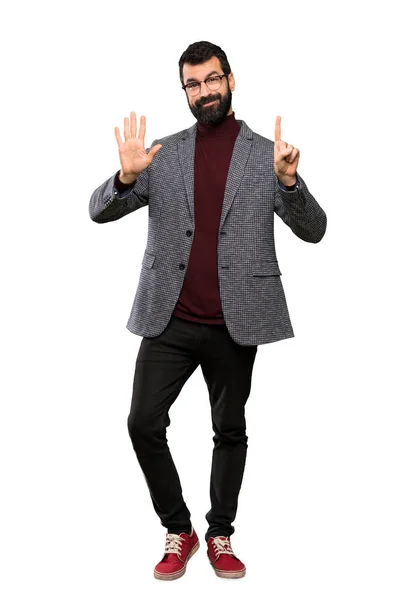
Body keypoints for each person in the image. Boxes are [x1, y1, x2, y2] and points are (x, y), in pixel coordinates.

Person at [89, 40, 327, 581]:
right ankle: (180, 528)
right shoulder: (162, 153)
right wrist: (125, 177)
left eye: (211, 80)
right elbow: (98, 212)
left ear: (231, 80)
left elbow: (314, 231)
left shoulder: (267, 154)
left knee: (230, 430)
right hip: (168, 316)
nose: (203, 92)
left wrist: (289, 182)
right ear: (186, 91)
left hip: (235, 319)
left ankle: (220, 533)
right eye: (192, 85)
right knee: (143, 422)